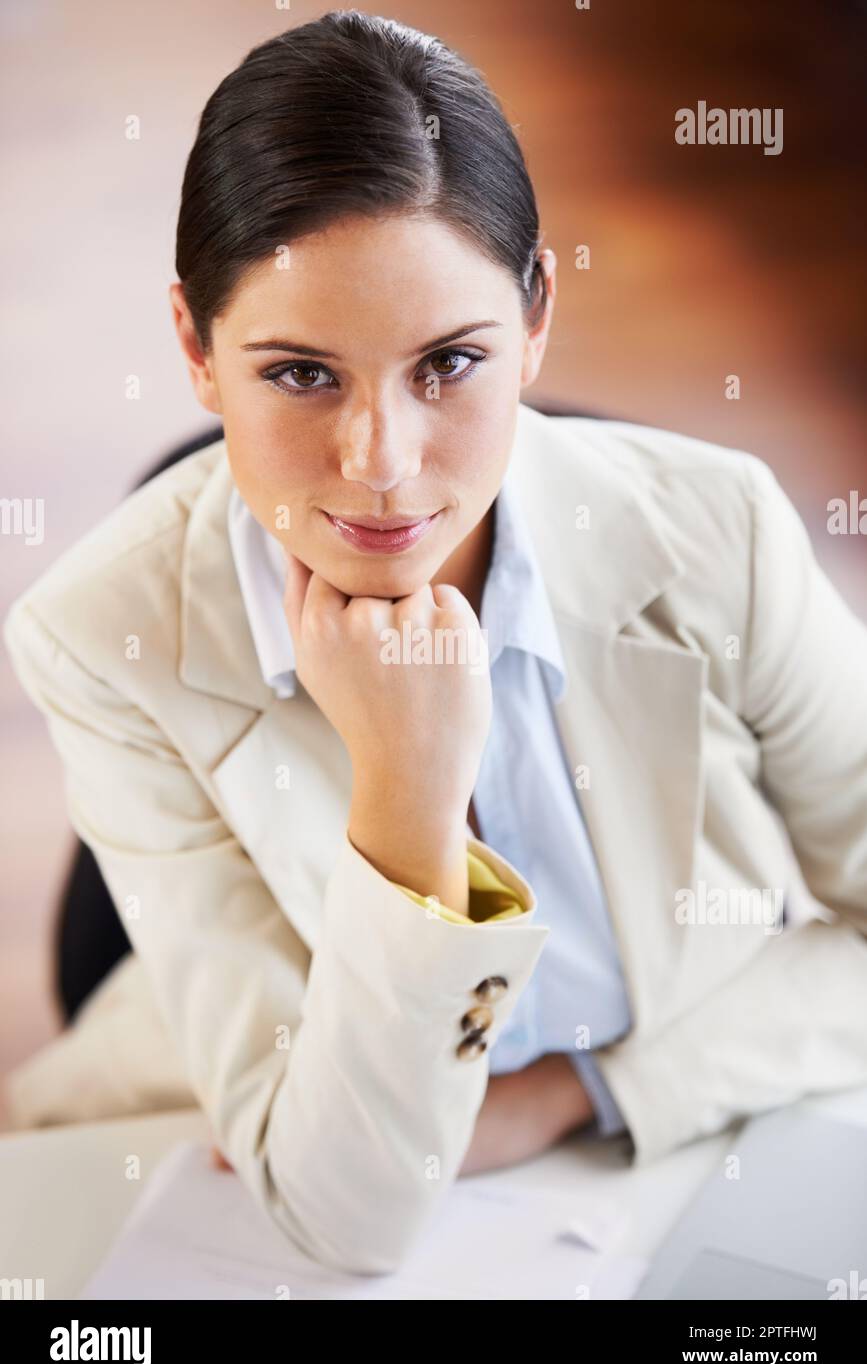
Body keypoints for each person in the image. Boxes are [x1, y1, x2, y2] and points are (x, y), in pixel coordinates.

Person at [4, 10, 867, 1277]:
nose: (384, 468)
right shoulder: (97, 638)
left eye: (451, 363)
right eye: (301, 373)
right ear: (194, 347)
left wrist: (580, 1090)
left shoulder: (720, 531)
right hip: (247, 1140)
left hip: (681, 1129)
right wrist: (409, 800)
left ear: (537, 316)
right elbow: (349, 1213)